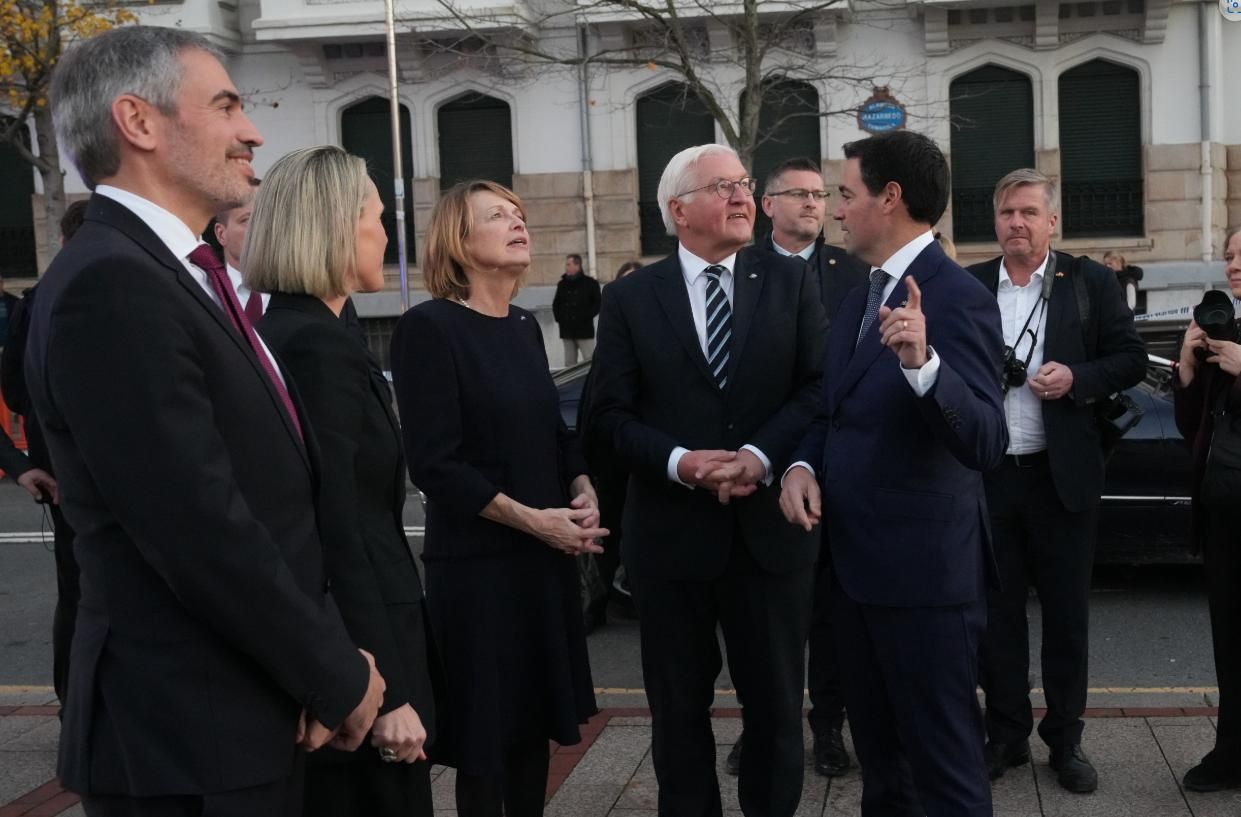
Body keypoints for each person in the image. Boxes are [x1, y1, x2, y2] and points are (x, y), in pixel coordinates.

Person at [27, 26, 385, 816]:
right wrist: (334, 675)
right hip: (185, 739)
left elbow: (271, 502)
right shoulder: (113, 285)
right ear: (138, 121)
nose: (251, 131)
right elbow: (197, 523)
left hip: (233, 718)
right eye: (225, 105)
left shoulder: (171, 273)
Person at [588, 143, 826, 817]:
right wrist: (680, 462)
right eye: (723, 187)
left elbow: (818, 389)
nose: (742, 196)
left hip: (769, 540)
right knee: (677, 715)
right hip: (671, 541)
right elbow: (606, 416)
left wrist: (759, 455)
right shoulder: (631, 298)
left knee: (776, 712)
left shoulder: (790, 282)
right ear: (678, 210)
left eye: (744, 183)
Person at [780, 130, 1008, 817]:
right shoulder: (860, 294)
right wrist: (801, 464)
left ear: (891, 198)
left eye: (845, 194)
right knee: (882, 770)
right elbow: (833, 410)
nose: (835, 210)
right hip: (854, 576)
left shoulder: (956, 296)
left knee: (946, 774)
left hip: (925, 586)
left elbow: (987, 439)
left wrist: (924, 366)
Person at [391, 179, 604, 817]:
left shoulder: (523, 326)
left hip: (541, 561)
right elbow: (436, 464)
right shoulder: (428, 328)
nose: (518, 223)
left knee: (533, 729)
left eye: (518, 213)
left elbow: (551, 431)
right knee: (486, 744)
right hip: (478, 571)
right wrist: (534, 521)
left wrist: (582, 485)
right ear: (458, 241)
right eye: (497, 215)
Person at [246, 146, 438, 817]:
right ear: (334, 226)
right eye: (377, 218)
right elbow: (337, 525)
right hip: (363, 654)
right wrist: (381, 691)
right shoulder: (314, 344)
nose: (387, 235)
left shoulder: (301, 331)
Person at [966, 168, 1145, 794]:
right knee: (996, 618)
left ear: (1052, 221)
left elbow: (1130, 358)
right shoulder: (969, 285)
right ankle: (1006, 734)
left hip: (1060, 476)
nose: (1016, 223)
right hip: (989, 476)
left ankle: (1066, 739)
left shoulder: (1089, 281)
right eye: (1006, 212)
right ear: (995, 221)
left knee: (1067, 618)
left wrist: (1076, 378)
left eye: (1028, 212)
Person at [722, 155, 866, 780]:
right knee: (762, 619)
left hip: (832, 462)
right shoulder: (737, 268)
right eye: (798, 193)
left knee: (829, 608)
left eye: (820, 194)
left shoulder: (853, 272)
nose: (813, 203)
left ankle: (827, 725)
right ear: (767, 205)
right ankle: (762, 726)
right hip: (757, 464)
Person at [1, 199, 86, 709]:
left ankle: (73, 705)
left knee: (76, 590)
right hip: (77, 471)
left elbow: (14, 392)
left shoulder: (34, 301)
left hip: (54, 467)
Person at [1172, 225, 1241, 793]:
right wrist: (1189, 369)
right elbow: (1192, 428)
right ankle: (1230, 755)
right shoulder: (1225, 328)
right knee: (1230, 642)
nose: (1233, 265)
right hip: (1224, 510)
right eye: (1229, 255)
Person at [215, 183, 268, 321]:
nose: (261, 228)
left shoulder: (301, 296)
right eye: (248, 220)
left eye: (268, 220)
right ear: (221, 234)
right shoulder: (206, 291)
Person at [552, 252, 601, 364]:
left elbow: (598, 303)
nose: (566, 267)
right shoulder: (562, 284)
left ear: (577, 265)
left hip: (584, 330)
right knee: (569, 364)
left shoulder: (591, 283)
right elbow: (556, 304)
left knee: (590, 362)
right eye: (566, 264)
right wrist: (559, 318)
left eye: (569, 264)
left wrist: (586, 317)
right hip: (567, 330)